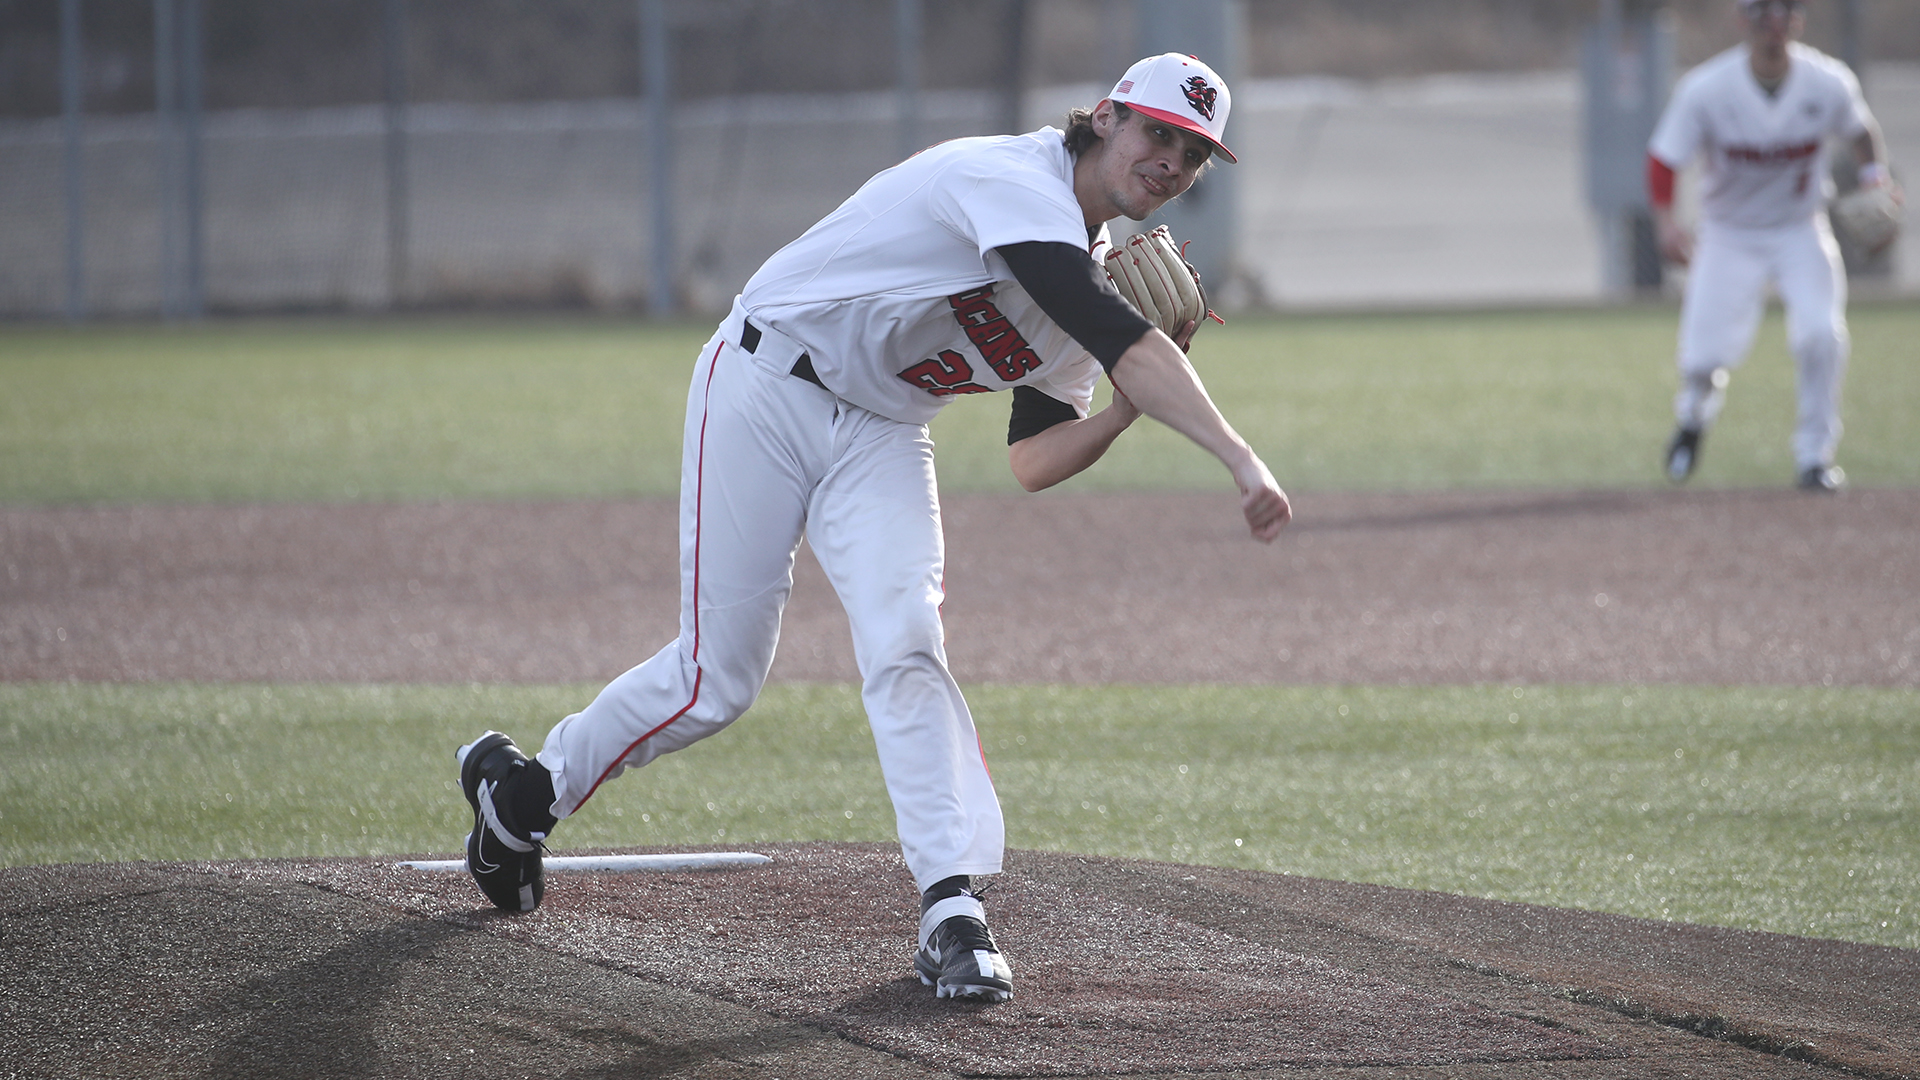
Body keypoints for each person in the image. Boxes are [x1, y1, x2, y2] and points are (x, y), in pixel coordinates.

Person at [452, 53, 1290, 1003]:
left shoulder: (1093, 283)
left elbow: (1035, 457)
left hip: (884, 431)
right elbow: (1111, 333)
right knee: (715, 679)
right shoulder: (1010, 182)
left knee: (907, 639)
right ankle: (523, 800)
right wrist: (1241, 459)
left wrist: (1130, 409)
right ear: (1103, 118)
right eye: (1156, 132)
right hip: (767, 382)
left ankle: (952, 909)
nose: (1170, 161)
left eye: (1192, 152)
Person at [1650, 0, 1898, 492]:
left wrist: (1876, 180)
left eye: (1783, 12)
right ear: (1742, 21)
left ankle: (1814, 456)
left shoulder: (1827, 81)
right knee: (1701, 359)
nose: (1773, 24)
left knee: (1821, 336)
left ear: (1797, 21)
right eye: (1762, 13)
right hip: (1728, 232)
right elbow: (1663, 159)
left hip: (1798, 227)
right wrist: (1666, 224)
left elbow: (1860, 131)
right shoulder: (1707, 89)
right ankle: (1693, 420)